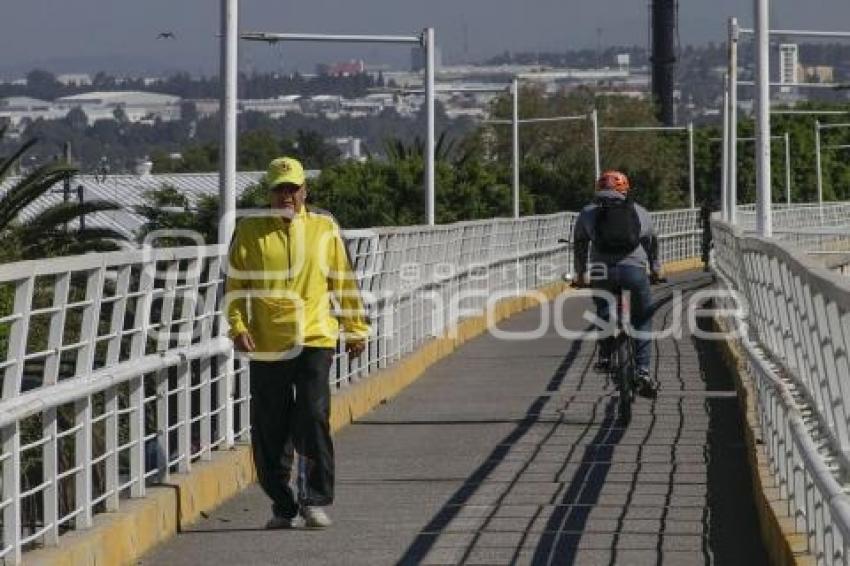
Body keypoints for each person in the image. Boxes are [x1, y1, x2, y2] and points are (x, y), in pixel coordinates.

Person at [225, 156, 370, 529]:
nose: (286, 195)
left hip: (315, 336)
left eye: (293, 188)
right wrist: (237, 324)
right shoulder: (250, 230)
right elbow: (236, 284)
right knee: (270, 424)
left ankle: (314, 499)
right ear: (269, 192)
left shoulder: (324, 228)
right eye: (279, 189)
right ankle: (283, 503)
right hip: (268, 340)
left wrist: (355, 328)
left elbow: (343, 279)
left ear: (305, 190)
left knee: (313, 415)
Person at [572, 170, 663, 397]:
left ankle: (604, 355)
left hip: (602, 271)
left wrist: (581, 274)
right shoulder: (639, 211)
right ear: (625, 189)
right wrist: (655, 270)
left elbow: (581, 245)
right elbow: (652, 242)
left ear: (598, 190)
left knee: (603, 306)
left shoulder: (587, 212)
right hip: (634, 270)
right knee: (641, 318)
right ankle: (642, 371)